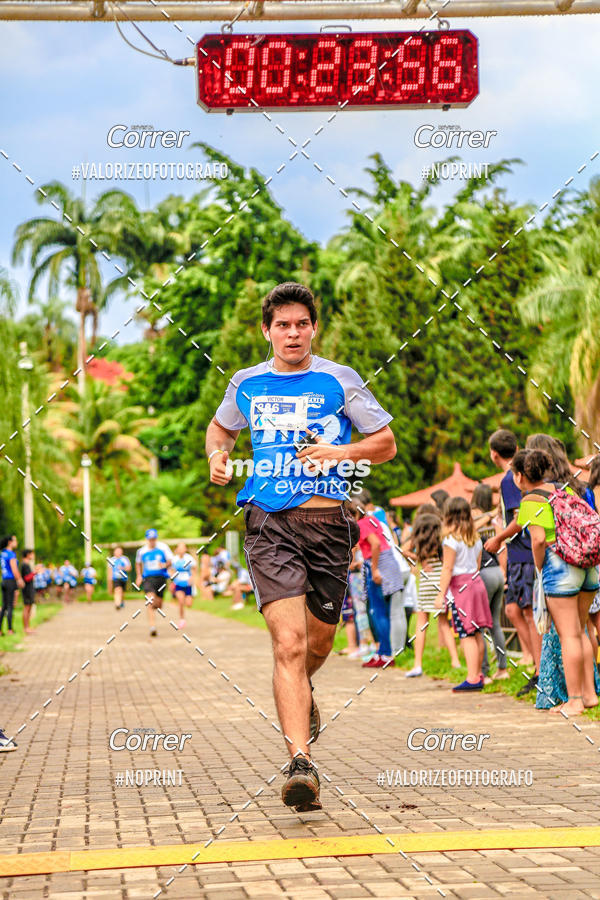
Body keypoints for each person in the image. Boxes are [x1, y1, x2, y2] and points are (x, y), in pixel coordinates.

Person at [207, 281, 395, 813]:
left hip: (330, 524)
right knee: (287, 644)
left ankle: (302, 697)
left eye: (302, 324)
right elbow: (219, 431)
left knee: (318, 645)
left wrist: (341, 451)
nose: (293, 333)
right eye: (282, 325)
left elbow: (384, 443)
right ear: (266, 331)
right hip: (270, 524)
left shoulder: (340, 379)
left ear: (314, 328)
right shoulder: (246, 383)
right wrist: (218, 456)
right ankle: (300, 762)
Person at [511, 448, 600, 716]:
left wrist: (540, 567)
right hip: (588, 565)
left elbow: (538, 540)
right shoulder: (565, 490)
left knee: (568, 634)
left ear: (519, 476)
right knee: (582, 630)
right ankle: (589, 694)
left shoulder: (530, 500)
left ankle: (573, 700)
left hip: (560, 567)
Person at [485, 430, 539, 695]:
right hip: (519, 553)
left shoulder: (510, 479)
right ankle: (534, 662)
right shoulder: (510, 478)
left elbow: (521, 516)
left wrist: (499, 538)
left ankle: (540, 670)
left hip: (524, 551)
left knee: (527, 612)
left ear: (494, 454)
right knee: (515, 610)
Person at [435, 497, 493, 692]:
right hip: (476, 584)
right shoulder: (475, 538)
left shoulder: (451, 540)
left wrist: (440, 595)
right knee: (477, 631)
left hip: (461, 589)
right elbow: (476, 566)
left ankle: (472, 677)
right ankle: (479, 674)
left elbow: (447, 568)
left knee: (466, 633)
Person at [406, 513, 460, 677]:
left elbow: (404, 550)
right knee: (444, 623)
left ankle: (417, 664)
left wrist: (420, 559)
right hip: (440, 583)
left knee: (421, 623)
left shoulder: (419, 542)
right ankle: (455, 661)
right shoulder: (441, 541)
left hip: (425, 583)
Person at [471, 484, 508, 682]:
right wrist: (504, 571)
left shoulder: (472, 517)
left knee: (479, 626)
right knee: (495, 624)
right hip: (496, 571)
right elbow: (502, 547)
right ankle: (502, 668)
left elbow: (470, 530)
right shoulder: (495, 519)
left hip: (483, 573)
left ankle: (483, 671)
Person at [135, 529, 173, 637]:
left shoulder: (163, 547)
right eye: (150, 539)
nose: (152, 541)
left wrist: (165, 565)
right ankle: (152, 627)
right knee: (150, 602)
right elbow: (138, 564)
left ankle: (157, 604)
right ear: (147, 539)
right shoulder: (141, 551)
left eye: (154, 539)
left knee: (158, 604)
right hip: (148, 578)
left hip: (161, 578)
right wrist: (138, 576)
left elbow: (170, 560)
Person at [169, 541, 196, 628]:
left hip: (187, 583)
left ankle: (185, 601)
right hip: (178, 583)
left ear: (185, 549)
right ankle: (182, 619)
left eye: (183, 548)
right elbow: (171, 570)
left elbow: (194, 569)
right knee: (180, 601)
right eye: (179, 548)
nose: (181, 550)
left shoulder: (189, 558)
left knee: (188, 604)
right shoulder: (174, 559)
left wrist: (192, 578)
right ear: (177, 549)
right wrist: (172, 579)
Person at [1, 535, 24, 635]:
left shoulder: (2, 553)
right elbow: (14, 569)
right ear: (10, 542)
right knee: (10, 606)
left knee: (4, 606)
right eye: (15, 540)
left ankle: (1, 630)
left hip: (4, 581)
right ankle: (10, 629)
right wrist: (20, 579)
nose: (17, 542)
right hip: (10, 581)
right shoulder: (11, 554)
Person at [20, 549, 36, 634]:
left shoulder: (26, 564)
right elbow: (26, 578)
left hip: (29, 589)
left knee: (29, 608)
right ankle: (26, 628)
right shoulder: (25, 565)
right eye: (32, 554)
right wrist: (35, 572)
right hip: (26, 590)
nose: (33, 556)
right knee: (26, 608)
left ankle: (28, 627)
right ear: (28, 555)